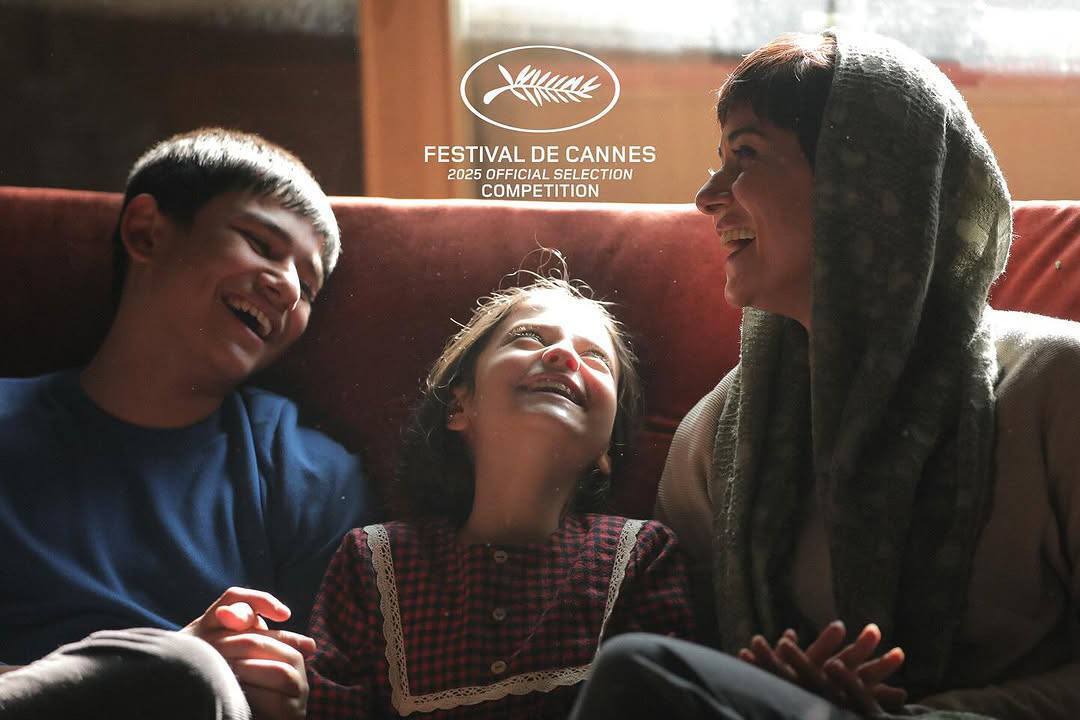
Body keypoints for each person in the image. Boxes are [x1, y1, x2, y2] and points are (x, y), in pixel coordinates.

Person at [568, 28, 1080, 720]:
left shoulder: (1058, 385)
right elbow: (693, 669)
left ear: (861, 186)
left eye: (745, 155)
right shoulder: (714, 438)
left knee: (635, 670)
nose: (707, 196)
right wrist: (782, 691)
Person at [0, 128, 378, 719]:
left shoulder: (310, 476)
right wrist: (156, 672)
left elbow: (330, 691)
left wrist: (278, 692)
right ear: (147, 232)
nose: (285, 287)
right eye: (260, 243)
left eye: (308, 288)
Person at [305, 270, 696, 718]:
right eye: (528, 337)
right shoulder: (370, 561)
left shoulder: (644, 556)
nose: (564, 355)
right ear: (459, 405)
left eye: (596, 358)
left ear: (605, 448)